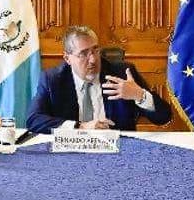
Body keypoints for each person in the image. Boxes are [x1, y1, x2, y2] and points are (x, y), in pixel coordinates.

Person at [25, 27, 175, 133]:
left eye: (95, 50)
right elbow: (34, 120)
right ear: (67, 58)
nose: (92, 60)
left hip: (119, 154)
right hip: (70, 154)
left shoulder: (122, 74)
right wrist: (81, 127)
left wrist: (140, 95)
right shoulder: (53, 79)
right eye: (83, 54)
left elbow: (164, 117)